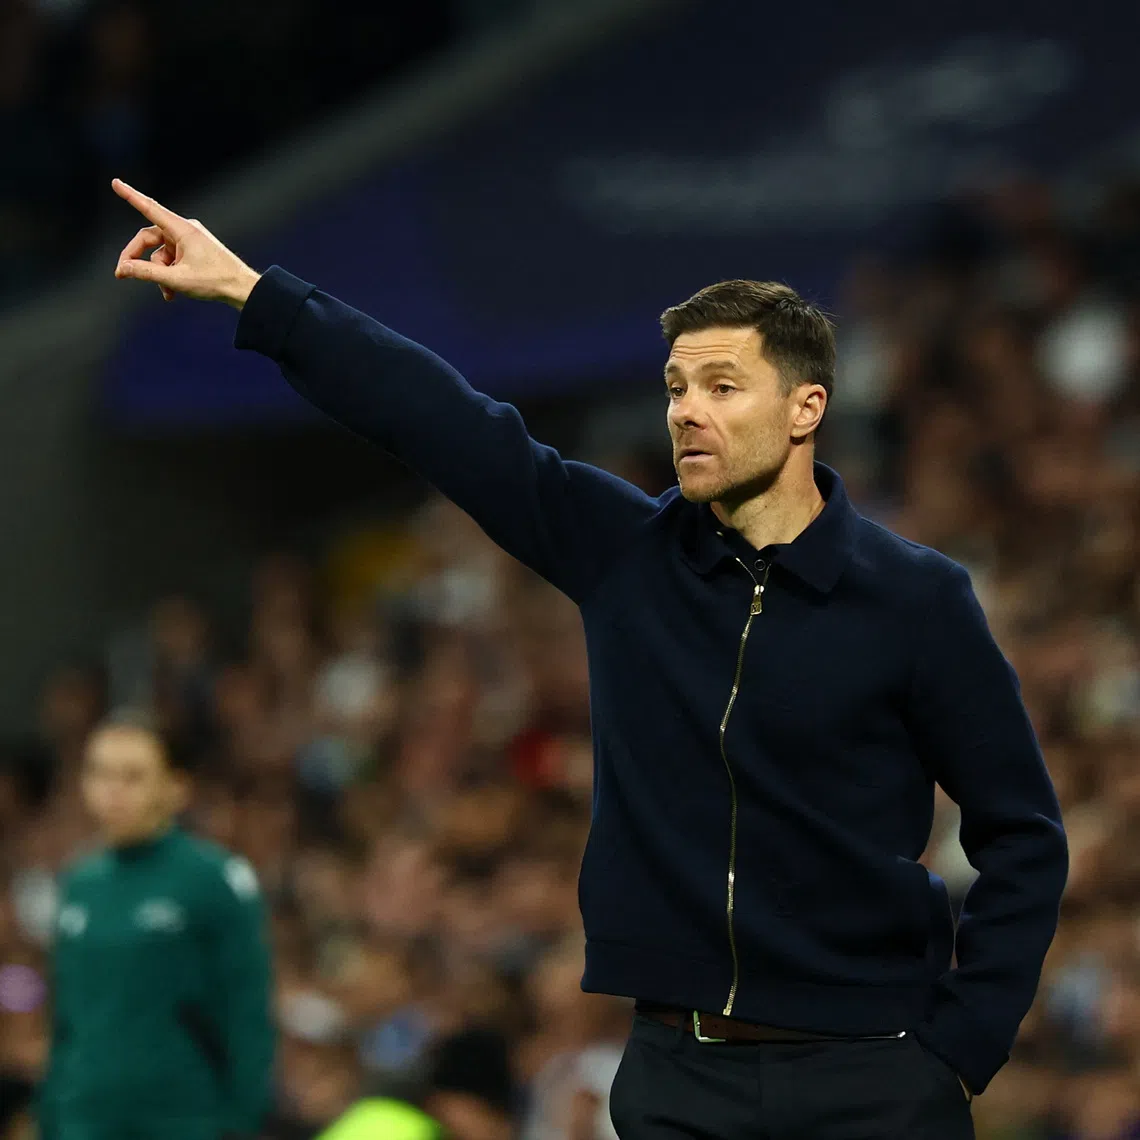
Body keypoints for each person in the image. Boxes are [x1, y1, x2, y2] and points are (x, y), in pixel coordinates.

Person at [110, 179, 1069, 1139]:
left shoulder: (915, 597)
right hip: (677, 1074)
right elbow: (444, 422)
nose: (687, 412)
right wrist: (256, 295)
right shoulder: (627, 553)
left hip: (874, 1073)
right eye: (676, 389)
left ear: (805, 407)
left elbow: (1023, 834)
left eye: (722, 388)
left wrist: (959, 1048)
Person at [38, 714, 275, 1140]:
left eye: (133, 776)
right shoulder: (79, 883)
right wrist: (51, 1114)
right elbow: (66, 1019)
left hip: (181, 1117)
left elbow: (245, 1009)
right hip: (86, 1116)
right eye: (100, 773)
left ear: (175, 788)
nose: (113, 790)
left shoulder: (212, 878)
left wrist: (243, 1118)